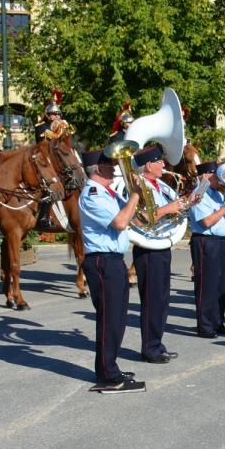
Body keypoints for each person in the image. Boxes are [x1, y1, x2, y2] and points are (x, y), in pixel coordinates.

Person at [78, 148, 144, 393]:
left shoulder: (107, 193)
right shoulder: (93, 194)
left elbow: (134, 217)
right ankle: (107, 374)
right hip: (102, 261)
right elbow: (119, 222)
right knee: (108, 319)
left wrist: (138, 196)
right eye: (110, 166)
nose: (115, 169)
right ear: (98, 169)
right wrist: (136, 195)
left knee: (117, 318)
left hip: (113, 260)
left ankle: (110, 367)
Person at [131, 146, 193, 364]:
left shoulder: (161, 186)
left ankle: (156, 343)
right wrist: (168, 209)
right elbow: (138, 219)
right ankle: (150, 348)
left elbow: (172, 207)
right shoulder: (138, 186)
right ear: (149, 165)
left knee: (162, 300)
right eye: (160, 162)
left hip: (161, 245)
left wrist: (188, 203)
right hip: (148, 248)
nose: (165, 166)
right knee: (152, 299)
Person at [188, 161, 225, 339]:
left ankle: (217, 322)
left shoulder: (217, 193)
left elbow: (224, 217)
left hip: (220, 241)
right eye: (216, 176)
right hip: (205, 242)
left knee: (220, 284)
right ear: (205, 176)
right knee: (206, 285)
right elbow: (206, 222)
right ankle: (205, 325)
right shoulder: (199, 193)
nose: (219, 179)